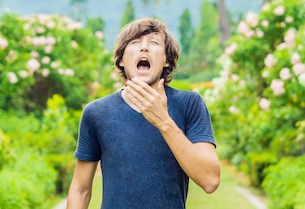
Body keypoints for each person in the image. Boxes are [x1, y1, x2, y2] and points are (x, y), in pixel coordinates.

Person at [66, 18, 220, 209]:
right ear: (121, 60)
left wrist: (163, 121)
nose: (144, 48)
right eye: (135, 42)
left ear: (166, 61)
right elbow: (80, 189)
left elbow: (210, 180)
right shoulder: (96, 113)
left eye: (154, 43)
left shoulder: (189, 104)